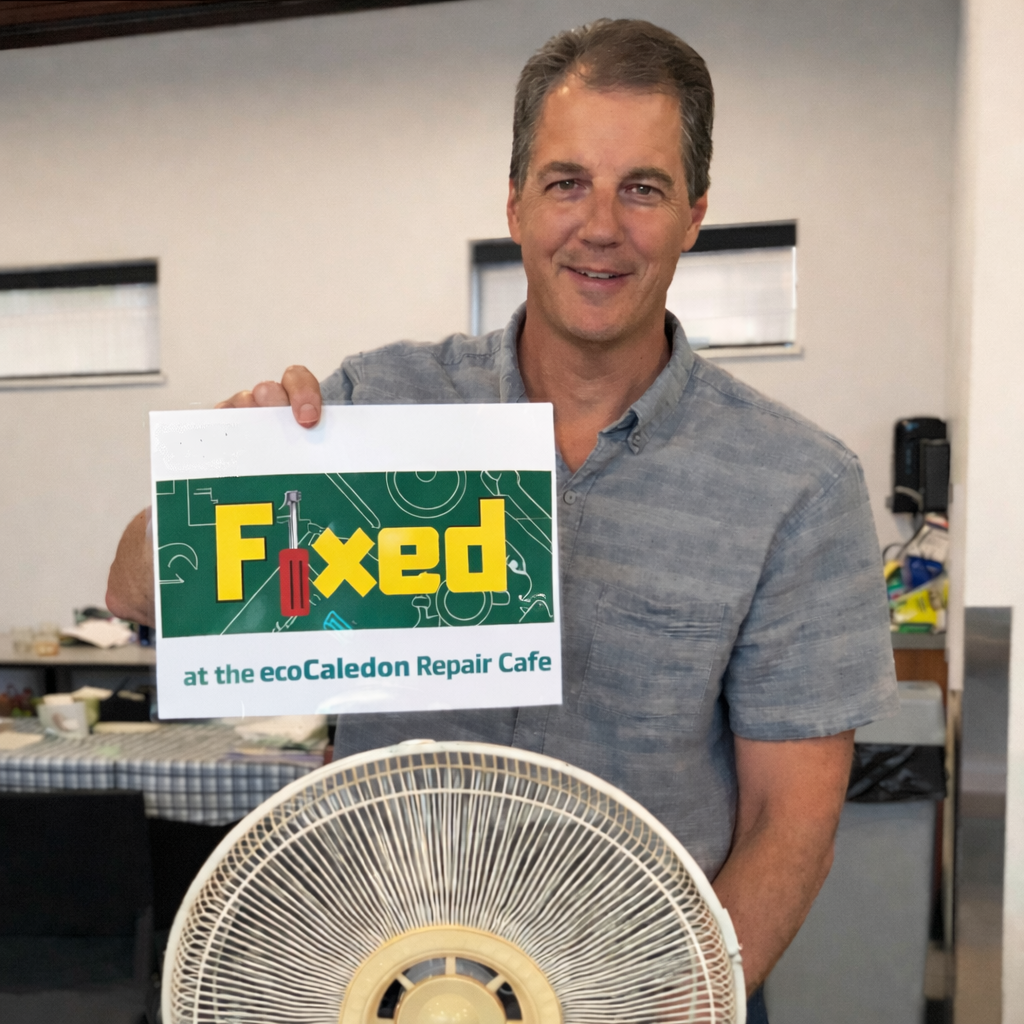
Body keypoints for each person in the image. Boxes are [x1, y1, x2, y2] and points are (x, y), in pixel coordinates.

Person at [107, 19, 897, 1018]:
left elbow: (790, 821)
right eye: (566, 182)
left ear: (694, 214)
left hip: (639, 991)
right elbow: (133, 590)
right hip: (373, 982)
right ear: (514, 203)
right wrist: (214, 480)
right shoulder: (375, 411)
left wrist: (679, 1007)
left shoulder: (797, 484)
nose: (600, 224)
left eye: (641, 188)